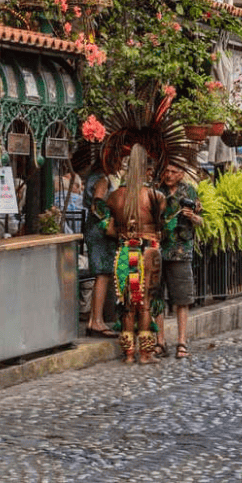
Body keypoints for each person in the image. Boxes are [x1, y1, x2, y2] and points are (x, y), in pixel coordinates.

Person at [106, 144, 165, 364]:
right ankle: (146, 354)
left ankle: (129, 354)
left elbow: (109, 229)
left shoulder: (114, 197)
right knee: (145, 303)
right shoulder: (155, 196)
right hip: (147, 251)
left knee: (127, 305)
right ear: (146, 170)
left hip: (124, 252)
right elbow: (163, 228)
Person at [156, 162, 203, 360]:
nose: (169, 174)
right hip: (158, 250)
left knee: (182, 299)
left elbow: (202, 220)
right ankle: (160, 341)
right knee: (156, 298)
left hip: (181, 251)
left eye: (173, 172)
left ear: (181, 174)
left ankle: (181, 341)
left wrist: (192, 216)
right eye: (166, 171)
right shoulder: (157, 191)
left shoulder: (189, 192)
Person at [82, 161, 117, 338]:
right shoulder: (102, 180)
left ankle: (94, 320)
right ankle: (96, 320)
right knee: (102, 274)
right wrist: (108, 223)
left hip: (94, 227)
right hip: (99, 229)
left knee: (102, 274)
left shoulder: (93, 177)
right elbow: (98, 203)